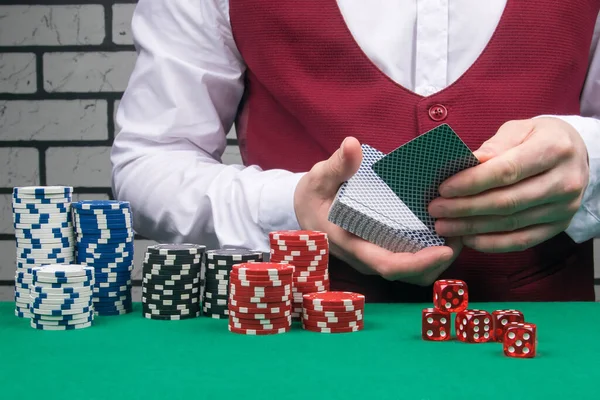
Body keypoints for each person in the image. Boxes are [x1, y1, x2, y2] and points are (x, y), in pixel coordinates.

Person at [111, 1, 600, 302]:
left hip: (547, 349)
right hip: (299, 349)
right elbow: (150, 160)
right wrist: (292, 204)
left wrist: (589, 158)